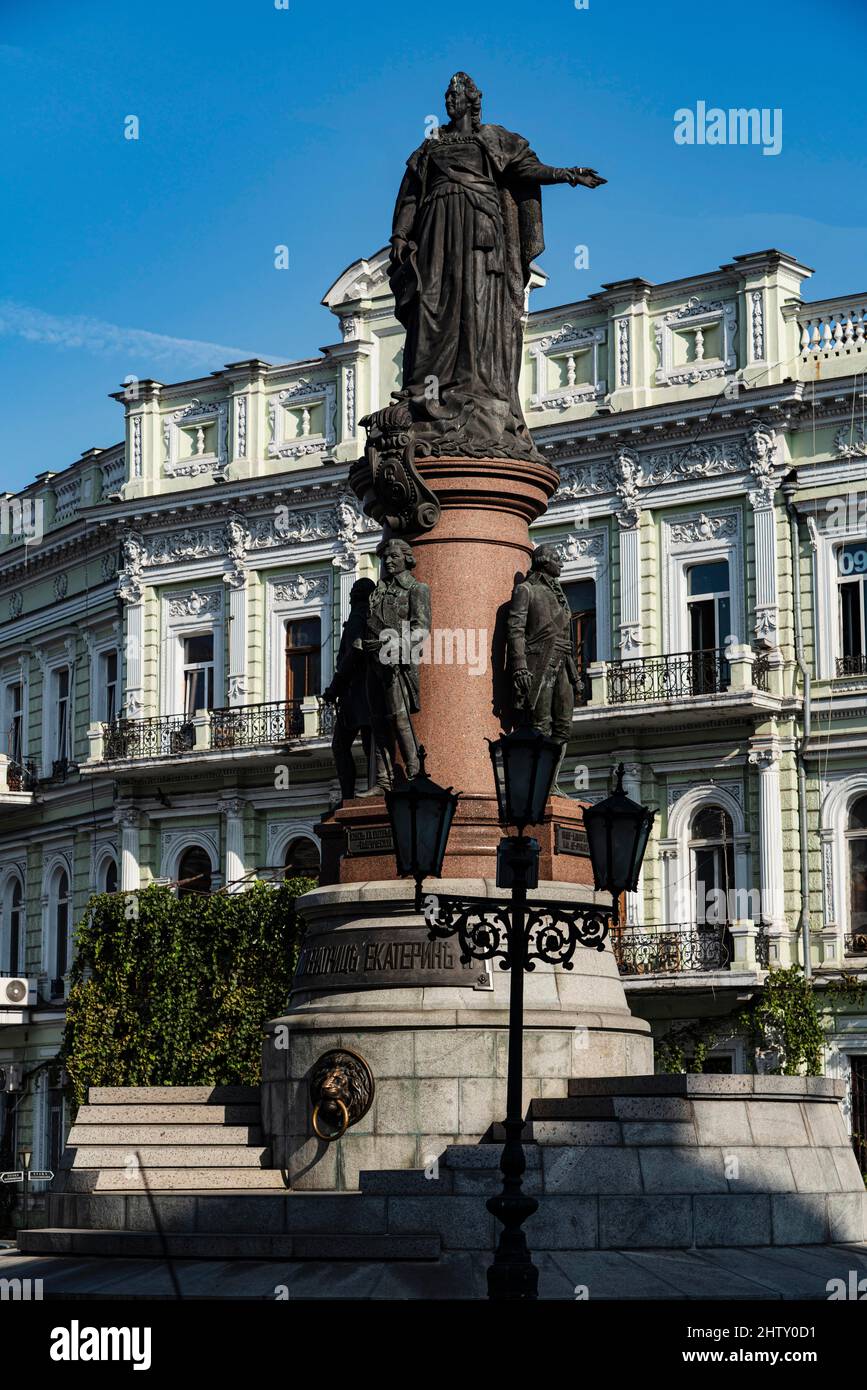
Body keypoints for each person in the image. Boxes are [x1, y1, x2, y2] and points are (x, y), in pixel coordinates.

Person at [388, 71, 605, 462]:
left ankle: (478, 389)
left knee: (478, 307)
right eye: (447, 95)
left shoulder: (494, 138)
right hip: (437, 231)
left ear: (472, 100)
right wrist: (401, 237)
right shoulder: (431, 144)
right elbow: (409, 195)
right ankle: (430, 394)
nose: (449, 101)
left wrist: (567, 175)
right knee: (433, 304)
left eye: (456, 95)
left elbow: (525, 170)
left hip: (479, 232)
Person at [362, 538, 431, 792]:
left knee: (400, 719)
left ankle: (414, 774)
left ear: (406, 558)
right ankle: (383, 781)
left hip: (396, 662)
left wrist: (398, 645)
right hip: (372, 660)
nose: (388, 561)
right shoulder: (377, 591)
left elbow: (421, 629)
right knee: (378, 722)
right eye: (385, 558)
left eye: (394, 556)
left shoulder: (416, 589)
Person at [507, 544, 580, 747]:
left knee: (564, 726)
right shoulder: (526, 590)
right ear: (544, 561)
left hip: (563, 663)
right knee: (541, 724)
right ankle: (539, 777)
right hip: (540, 662)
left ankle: (551, 778)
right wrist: (520, 666)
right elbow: (516, 629)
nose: (562, 564)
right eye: (557, 559)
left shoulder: (560, 593)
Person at [322, 578, 375, 800]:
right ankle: (377, 788)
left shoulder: (357, 616)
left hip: (355, 693)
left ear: (357, 595)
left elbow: (353, 651)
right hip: (369, 690)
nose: (351, 595)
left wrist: (335, 687)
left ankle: (347, 797)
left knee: (340, 746)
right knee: (372, 745)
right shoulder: (371, 616)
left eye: (353, 591)